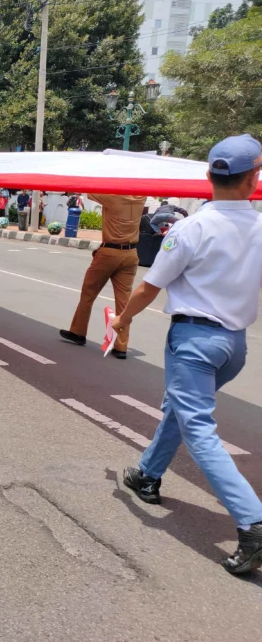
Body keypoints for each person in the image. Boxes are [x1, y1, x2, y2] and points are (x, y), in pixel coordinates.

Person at [113, 134, 262, 575]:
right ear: (253, 179)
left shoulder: (192, 227)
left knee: (197, 426)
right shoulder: (258, 227)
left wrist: (122, 321)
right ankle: (148, 475)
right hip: (234, 346)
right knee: (180, 408)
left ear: (209, 176)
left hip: (195, 343)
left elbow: (149, 286)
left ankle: (252, 521)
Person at [60, 188, 145, 359]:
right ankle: (121, 346)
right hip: (131, 254)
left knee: (88, 294)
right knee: (123, 302)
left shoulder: (112, 196)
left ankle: (78, 332)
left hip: (109, 253)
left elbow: (88, 190)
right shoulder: (141, 197)